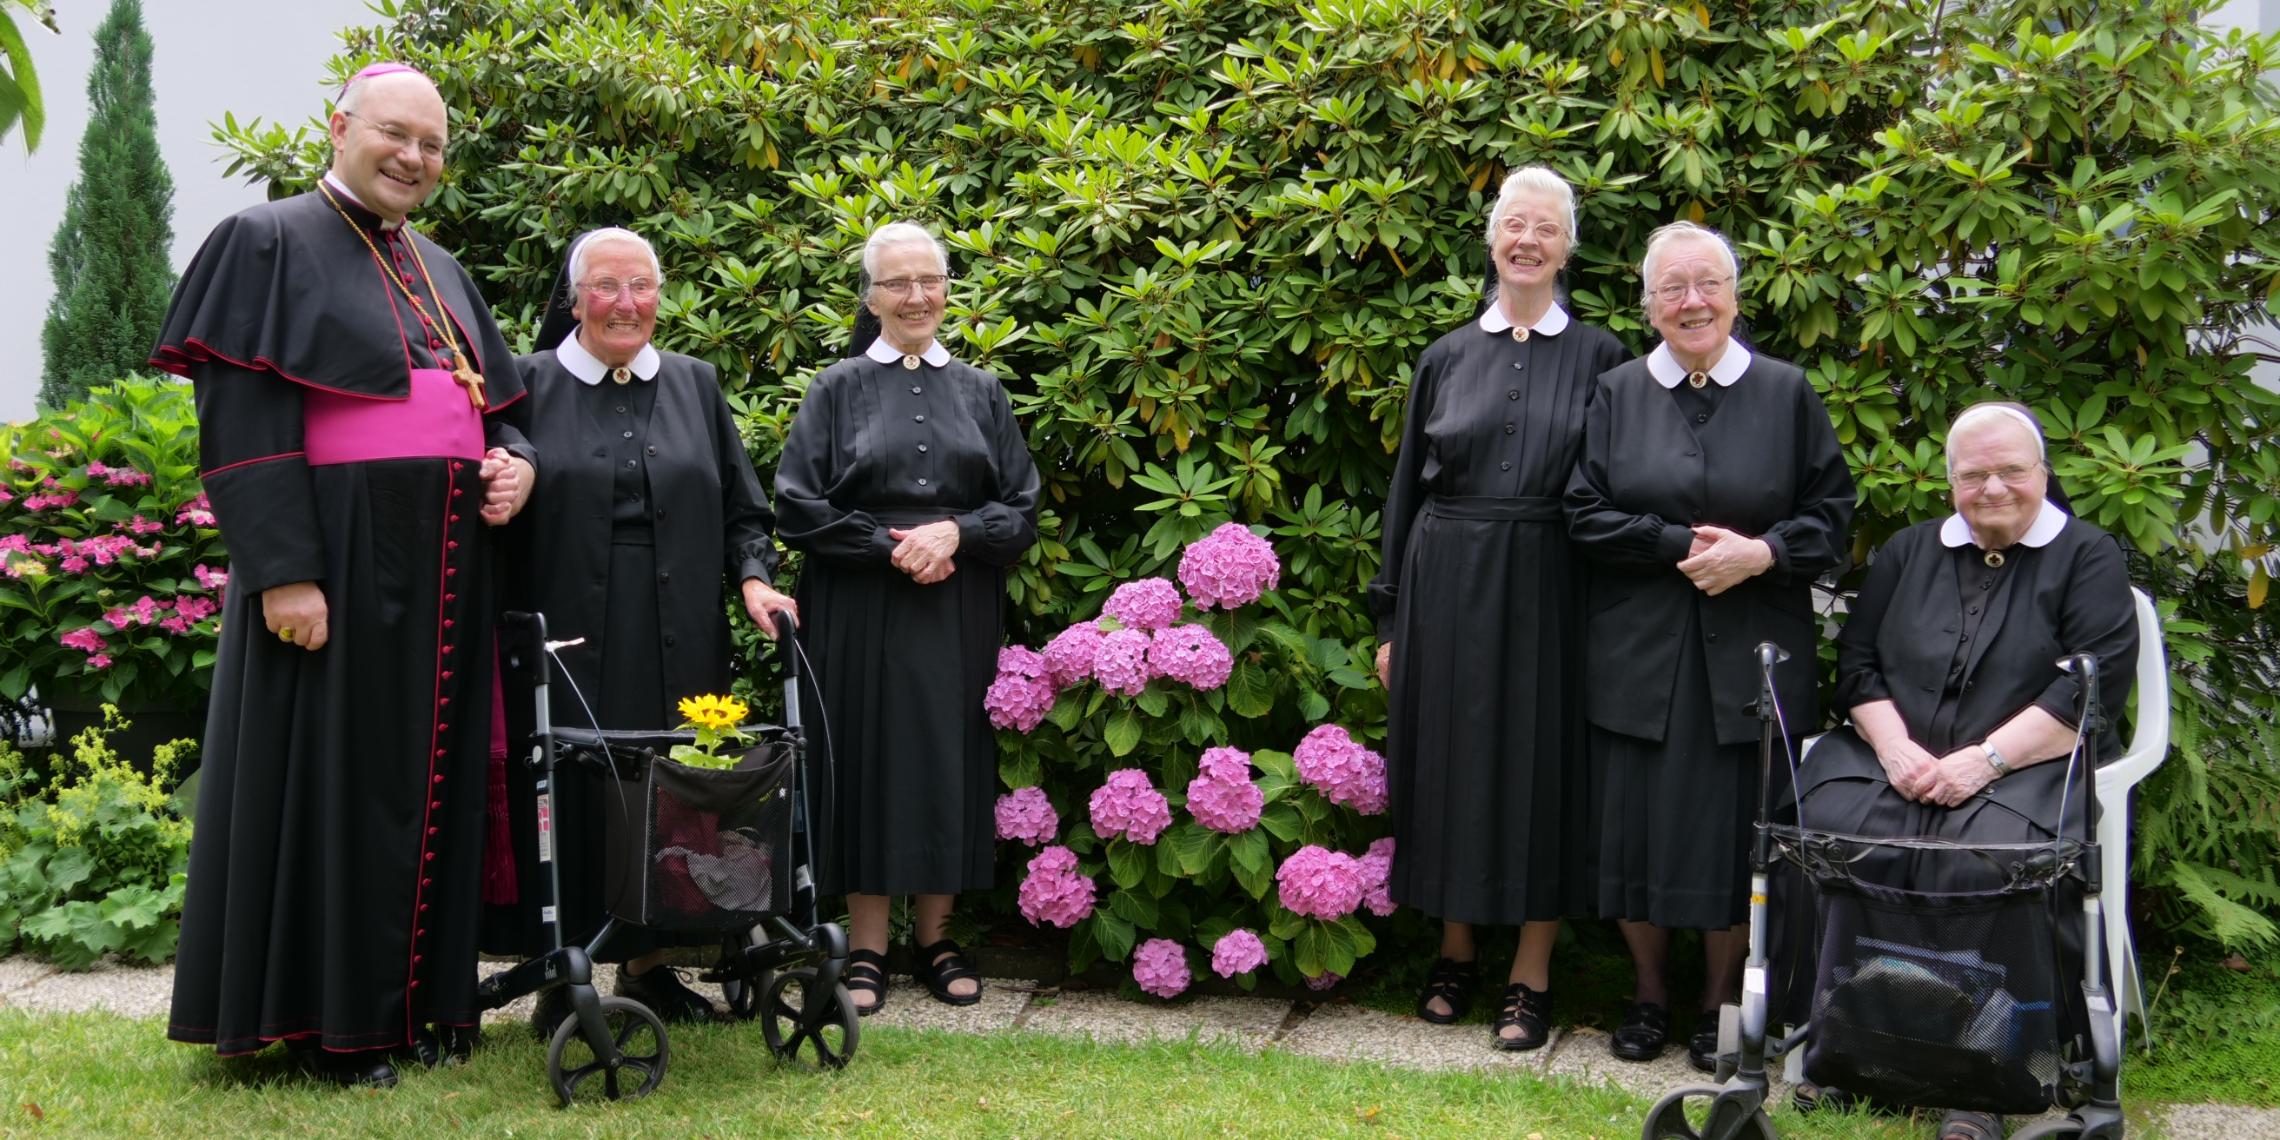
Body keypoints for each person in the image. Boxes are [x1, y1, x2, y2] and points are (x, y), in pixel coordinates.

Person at [150, 63, 535, 1088]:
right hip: (340, 559)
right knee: (343, 785)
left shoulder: (444, 267)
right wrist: (283, 572)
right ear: (340, 127)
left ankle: (429, 1005)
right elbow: (243, 423)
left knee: (433, 783)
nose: (415, 157)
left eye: (433, 145)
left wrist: (516, 469)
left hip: (449, 562)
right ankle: (337, 1023)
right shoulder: (264, 240)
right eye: (396, 134)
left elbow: (501, 412)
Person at [1789, 402, 2137, 1140]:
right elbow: (1856, 667)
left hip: (2025, 763)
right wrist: (1894, 750)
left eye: (2012, 470)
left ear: (2043, 473)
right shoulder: (1909, 552)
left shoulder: (2088, 554)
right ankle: (1845, 1048)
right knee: (1834, 831)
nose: (1994, 487)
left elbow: (2089, 685)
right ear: (1950, 483)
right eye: (1973, 473)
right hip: (1897, 757)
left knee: (1984, 860)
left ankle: (1984, 1078)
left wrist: (1983, 762)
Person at [480, 227, 798, 1034]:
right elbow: (493, 512)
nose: (625, 304)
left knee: (669, 789)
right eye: (605, 287)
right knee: (576, 792)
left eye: (642, 287)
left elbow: (741, 510)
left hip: (681, 631)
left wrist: (756, 581)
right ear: (574, 298)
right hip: (570, 636)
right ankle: (565, 970)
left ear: (661, 294)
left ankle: (651, 968)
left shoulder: (695, 382)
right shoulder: (526, 383)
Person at [1564, 220, 1855, 1071]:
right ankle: (1649, 993)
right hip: (1638, 656)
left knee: (1741, 832)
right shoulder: (1617, 393)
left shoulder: (1787, 392)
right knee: (1634, 833)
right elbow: (1581, 512)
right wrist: (1675, 547)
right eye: (1672, 288)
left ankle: (1720, 1000)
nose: (1692, 301)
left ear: (1734, 295)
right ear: (1648, 303)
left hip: (1755, 653)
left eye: (1708, 284)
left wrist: (1760, 555)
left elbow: (1832, 519)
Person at [1367, 167, 1629, 1050]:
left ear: (1568, 247)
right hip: (1445, 582)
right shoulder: (1445, 356)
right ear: (1491, 240)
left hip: (1554, 585)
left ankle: (1531, 974)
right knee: (1449, 765)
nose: (1527, 241)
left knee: (1544, 774)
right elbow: (1406, 492)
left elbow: (1614, 490)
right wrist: (1391, 619)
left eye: (1546, 228)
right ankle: (1454, 948)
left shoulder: (1602, 359)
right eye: (1514, 224)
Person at [774, 220, 1040, 1014]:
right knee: (864, 756)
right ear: (871, 296)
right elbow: (797, 504)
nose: (916, 296)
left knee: (946, 757)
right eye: (898, 283)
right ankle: (864, 948)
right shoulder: (837, 387)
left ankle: (936, 938)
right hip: (860, 603)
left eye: (929, 281)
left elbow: (1021, 506)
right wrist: (891, 546)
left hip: (958, 600)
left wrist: (958, 531)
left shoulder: (982, 391)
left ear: (947, 290)